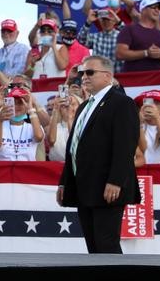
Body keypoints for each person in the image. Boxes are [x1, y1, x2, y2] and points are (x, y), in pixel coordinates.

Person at [56, 56, 141, 254]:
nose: (84, 77)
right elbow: (73, 147)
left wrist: (116, 181)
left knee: (106, 244)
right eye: (82, 73)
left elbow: (125, 145)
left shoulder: (122, 103)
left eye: (90, 72)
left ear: (107, 76)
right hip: (84, 186)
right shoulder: (85, 107)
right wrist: (64, 181)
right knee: (93, 246)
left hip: (107, 187)